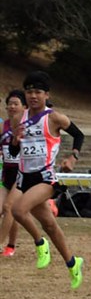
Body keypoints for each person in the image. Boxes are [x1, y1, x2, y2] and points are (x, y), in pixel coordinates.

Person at [8, 71, 85, 288]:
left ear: (46, 94)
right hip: (25, 177)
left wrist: (73, 157)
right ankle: (73, 263)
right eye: (29, 91)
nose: (33, 96)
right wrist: (15, 140)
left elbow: (79, 135)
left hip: (45, 177)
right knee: (50, 225)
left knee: (17, 210)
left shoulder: (54, 118)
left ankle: (40, 243)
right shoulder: (18, 118)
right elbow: (14, 152)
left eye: (38, 92)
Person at [0, 90, 26, 256]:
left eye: (15, 103)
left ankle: (5, 244)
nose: (12, 107)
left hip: (22, 174)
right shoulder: (3, 125)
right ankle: (11, 245)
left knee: (9, 207)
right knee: (9, 209)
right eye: (9, 104)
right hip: (6, 174)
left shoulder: (29, 125)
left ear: (24, 107)